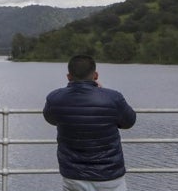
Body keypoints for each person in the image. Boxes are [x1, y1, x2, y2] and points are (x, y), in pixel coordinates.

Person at [43, 54, 136, 191]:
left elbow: (51, 119)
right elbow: (129, 122)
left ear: (68, 76)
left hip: (73, 175)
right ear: (96, 75)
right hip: (109, 175)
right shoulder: (113, 98)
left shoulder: (55, 98)